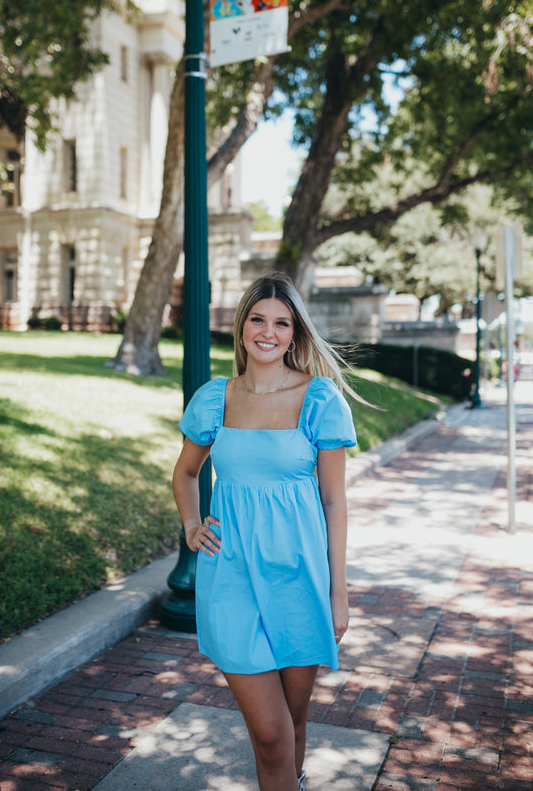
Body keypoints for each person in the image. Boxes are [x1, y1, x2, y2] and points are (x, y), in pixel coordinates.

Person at [172, 273, 360, 791]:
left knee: (295, 723)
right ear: (242, 327)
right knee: (272, 735)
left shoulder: (320, 401)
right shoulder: (216, 398)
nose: (268, 332)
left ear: (296, 333)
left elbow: (333, 500)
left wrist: (337, 593)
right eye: (258, 319)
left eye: (282, 323)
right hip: (230, 577)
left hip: (299, 579)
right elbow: (186, 472)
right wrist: (191, 525)